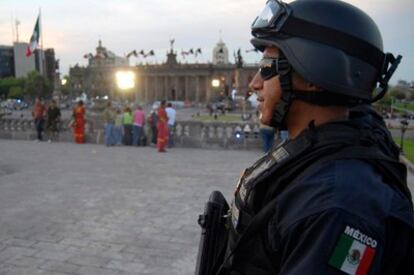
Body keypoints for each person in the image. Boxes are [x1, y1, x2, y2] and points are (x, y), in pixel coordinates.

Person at [208, 1, 414, 274]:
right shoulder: (320, 154)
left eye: (268, 68)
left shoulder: (337, 205)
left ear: (314, 73)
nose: (254, 83)